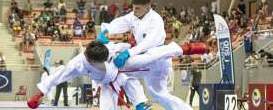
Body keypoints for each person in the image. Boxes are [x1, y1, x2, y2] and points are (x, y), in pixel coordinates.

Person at [99, 0, 193, 110]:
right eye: (133, 8)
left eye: (138, 8)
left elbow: (146, 44)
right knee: (159, 94)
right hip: (146, 58)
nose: (134, 11)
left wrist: (128, 53)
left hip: (155, 58)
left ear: (148, 8)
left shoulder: (155, 21)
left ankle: (140, 103)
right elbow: (122, 22)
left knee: (119, 72)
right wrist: (107, 29)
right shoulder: (134, 15)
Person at [28, 40, 184, 110]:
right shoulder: (77, 64)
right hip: (107, 82)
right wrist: (38, 95)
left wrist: (132, 45)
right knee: (107, 107)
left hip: (121, 65)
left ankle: (185, 48)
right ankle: (141, 104)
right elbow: (56, 77)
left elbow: (121, 46)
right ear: (90, 59)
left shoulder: (105, 48)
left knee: (148, 58)